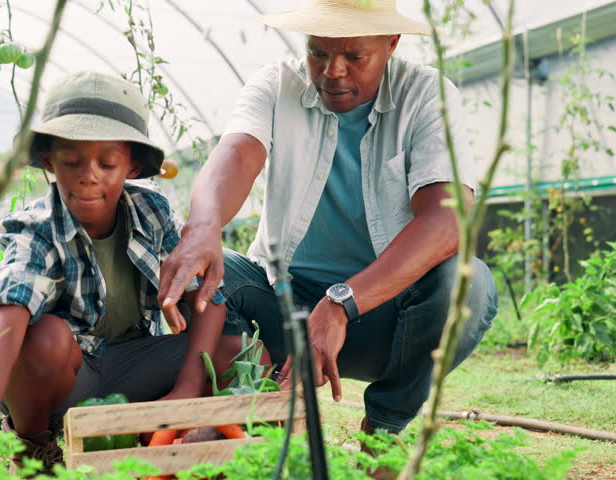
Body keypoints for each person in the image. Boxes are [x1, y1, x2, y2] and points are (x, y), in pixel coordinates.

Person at [158, 0, 499, 463]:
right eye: (318, 53)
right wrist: (202, 227)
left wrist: (341, 302)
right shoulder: (278, 84)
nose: (332, 72)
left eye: (355, 57)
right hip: (283, 302)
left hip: (386, 315)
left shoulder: (427, 95)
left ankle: (384, 430)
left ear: (391, 44)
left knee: (468, 283)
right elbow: (238, 153)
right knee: (209, 275)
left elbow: (447, 221)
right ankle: (250, 411)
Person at [0, 72, 238, 475]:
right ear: (50, 162)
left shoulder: (152, 212)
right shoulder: (38, 229)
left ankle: (172, 439)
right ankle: (35, 449)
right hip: (66, 384)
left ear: (133, 166)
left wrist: (187, 387)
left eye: (107, 162)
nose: (89, 174)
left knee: (237, 351)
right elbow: (6, 314)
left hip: (133, 365)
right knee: (45, 337)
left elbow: (209, 300)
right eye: (71, 161)